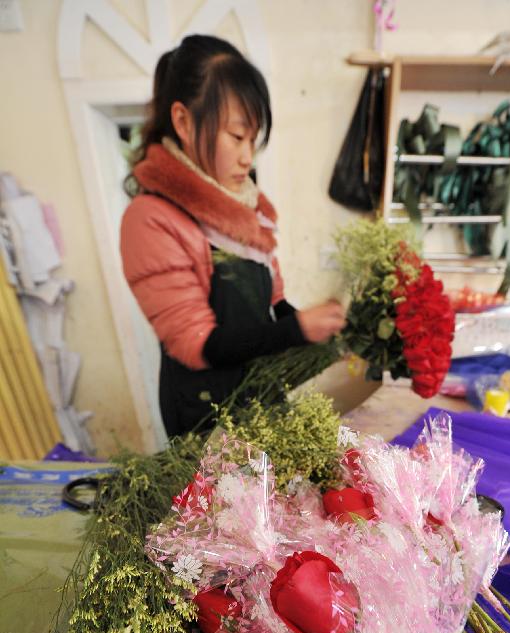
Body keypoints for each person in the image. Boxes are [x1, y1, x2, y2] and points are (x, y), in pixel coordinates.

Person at [120, 34, 345, 437]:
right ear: (183, 122)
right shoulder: (151, 219)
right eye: (237, 137)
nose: (247, 157)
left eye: (253, 141)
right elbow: (200, 344)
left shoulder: (248, 211)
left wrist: (323, 333)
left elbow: (272, 305)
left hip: (260, 399)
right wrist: (296, 331)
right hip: (207, 417)